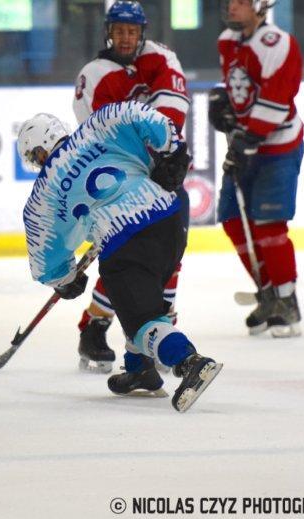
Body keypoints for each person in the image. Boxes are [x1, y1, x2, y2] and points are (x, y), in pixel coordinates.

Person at [18, 101, 222, 412]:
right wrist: (172, 150)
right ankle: (139, 369)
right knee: (144, 299)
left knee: (142, 321)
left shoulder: (44, 193)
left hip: (126, 244)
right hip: (169, 217)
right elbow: (136, 113)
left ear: (38, 154)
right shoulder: (97, 127)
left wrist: (64, 278)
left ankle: (189, 362)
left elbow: (44, 251)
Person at [71, 0, 191, 373]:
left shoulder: (159, 58)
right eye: (120, 30)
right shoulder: (95, 74)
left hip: (165, 173)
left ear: (143, 33)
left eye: (133, 31)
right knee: (126, 260)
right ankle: (96, 325)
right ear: (109, 31)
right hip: (120, 182)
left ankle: (154, 334)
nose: (126, 38)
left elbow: (173, 107)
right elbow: (100, 139)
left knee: (167, 258)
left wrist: (164, 156)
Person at [208, 0, 304, 337]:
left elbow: (277, 99)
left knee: (268, 226)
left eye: (240, 2)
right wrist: (220, 98)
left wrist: (247, 140)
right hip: (246, 141)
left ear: (260, 6)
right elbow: (238, 84)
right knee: (233, 219)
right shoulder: (227, 40)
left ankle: (287, 302)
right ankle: (268, 293)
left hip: (277, 145)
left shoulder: (277, 43)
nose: (231, 7)